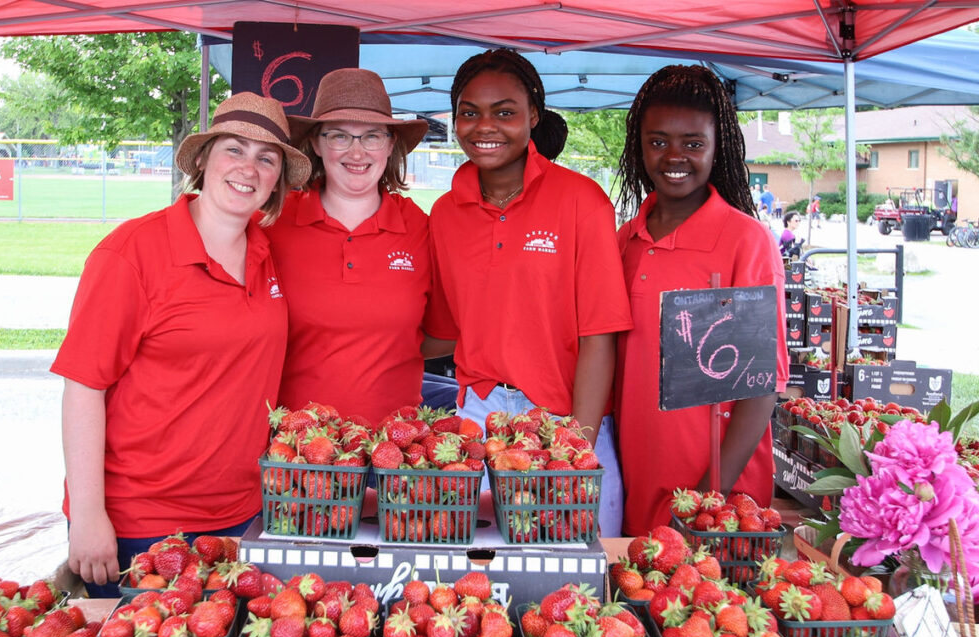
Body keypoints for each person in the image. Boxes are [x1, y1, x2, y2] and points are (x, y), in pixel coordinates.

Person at [51, 93, 310, 596]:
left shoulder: (267, 251)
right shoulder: (132, 252)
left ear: (278, 177)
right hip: (142, 523)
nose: (248, 169)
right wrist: (87, 514)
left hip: (243, 517)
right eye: (234, 150)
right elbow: (83, 386)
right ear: (203, 159)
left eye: (267, 158)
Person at [427, 48, 633, 537]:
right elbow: (442, 332)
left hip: (569, 418)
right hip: (479, 416)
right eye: (469, 113)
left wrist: (575, 448)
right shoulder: (444, 214)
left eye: (504, 112)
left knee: (580, 576)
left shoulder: (582, 201)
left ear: (533, 117)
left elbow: (599, 336)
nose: (485, 126)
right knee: (477, 583)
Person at [613, 65, 788, 536]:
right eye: (658, 141)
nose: (675, 156)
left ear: (718, 147)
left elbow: (761, 383)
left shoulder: (745, 242)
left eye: (693, 143)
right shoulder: (623, 242)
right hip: (637, 479)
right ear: (639, 146)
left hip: (715, 499)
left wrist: (710, 498)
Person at [269, 68, 453, 425]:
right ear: (317, 144)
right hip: (294, 449)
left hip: (394, 451)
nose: (357, 151)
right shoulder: (274, 223)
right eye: (339, 136)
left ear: (389, 144)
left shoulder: (421, 229)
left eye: (371, 136)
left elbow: (441, 335)